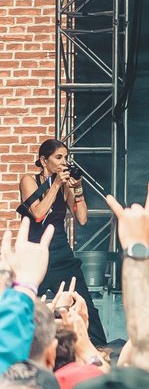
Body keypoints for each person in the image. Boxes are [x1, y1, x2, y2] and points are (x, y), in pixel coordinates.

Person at [13, 139, 106, 344]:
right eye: (59, 157)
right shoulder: (29, 180)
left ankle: (101, 353)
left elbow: (81, 219)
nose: (64, 161)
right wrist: (55, 183)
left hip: (61, 255)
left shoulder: (63, 186)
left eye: (66, 157)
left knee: (85, 308)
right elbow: (37, 213)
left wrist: (78, 189)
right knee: (21, 308)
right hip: (35, 257)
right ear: (44, 161)